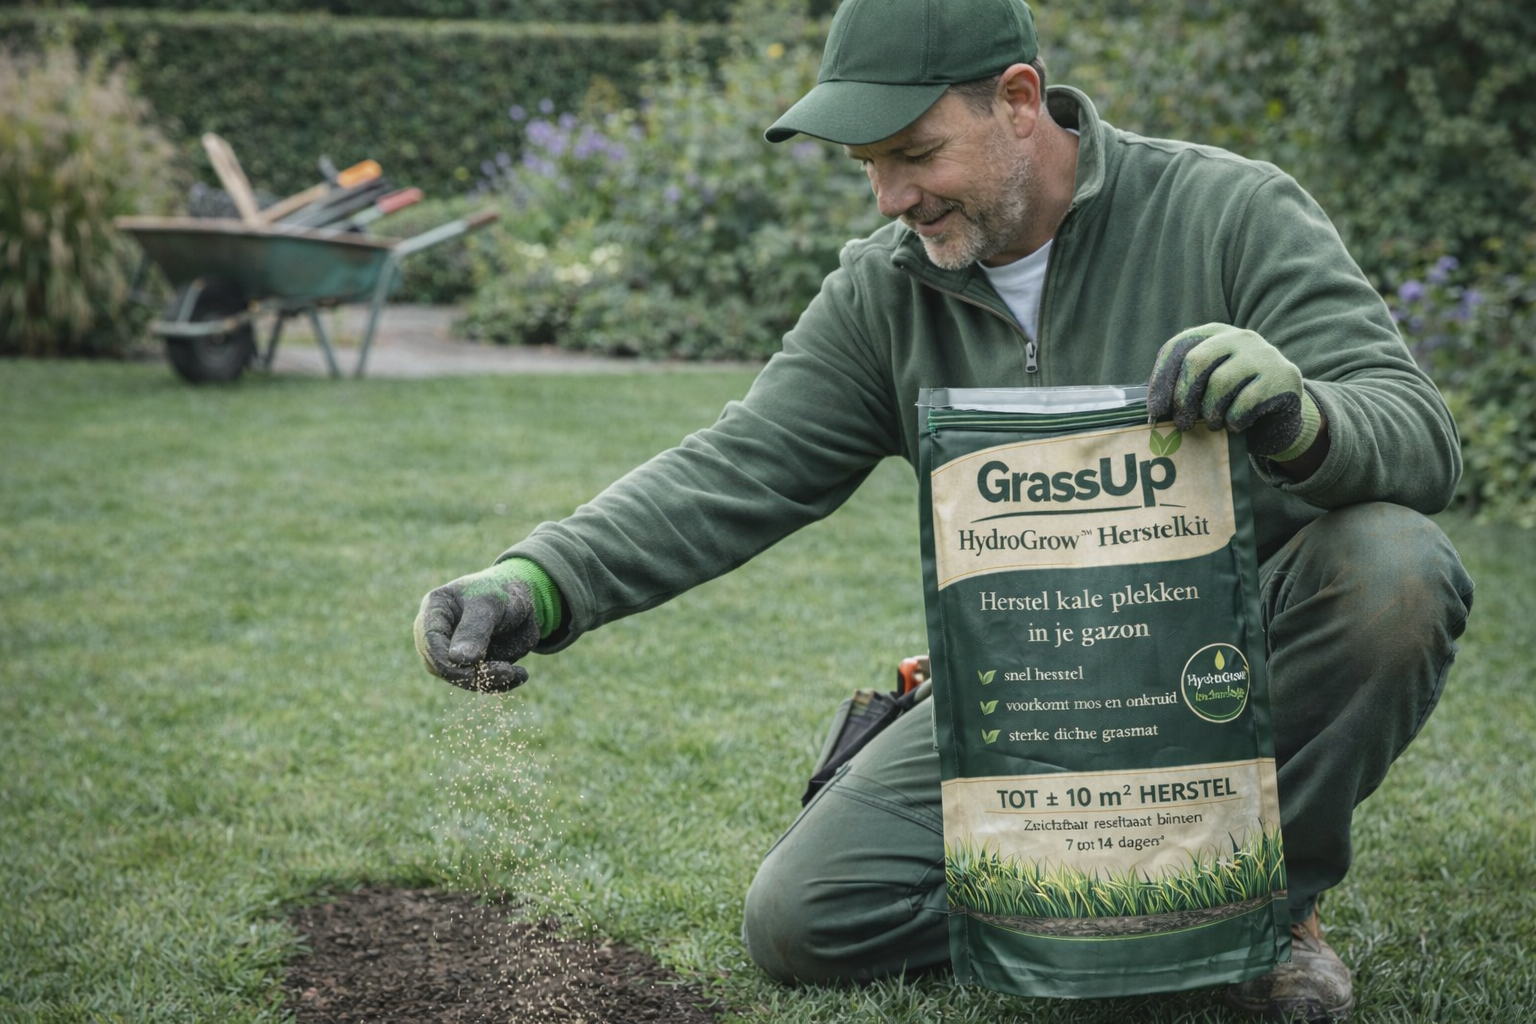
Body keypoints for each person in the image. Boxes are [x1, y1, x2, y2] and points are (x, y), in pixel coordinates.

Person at [414, 0, 1474, 1019]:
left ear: (1018, 100)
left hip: (1224, 669)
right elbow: (737, 466)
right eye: (867, 165)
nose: (890, 197)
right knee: (804, 921)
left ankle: (1265, 905)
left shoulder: (1229, 214)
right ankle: (1131, 888)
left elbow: (1419, 435)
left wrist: (1301, 417)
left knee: (1395, 567)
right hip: (1024, 687)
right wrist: (537, 581)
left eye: (915, 154)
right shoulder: (885, 295)